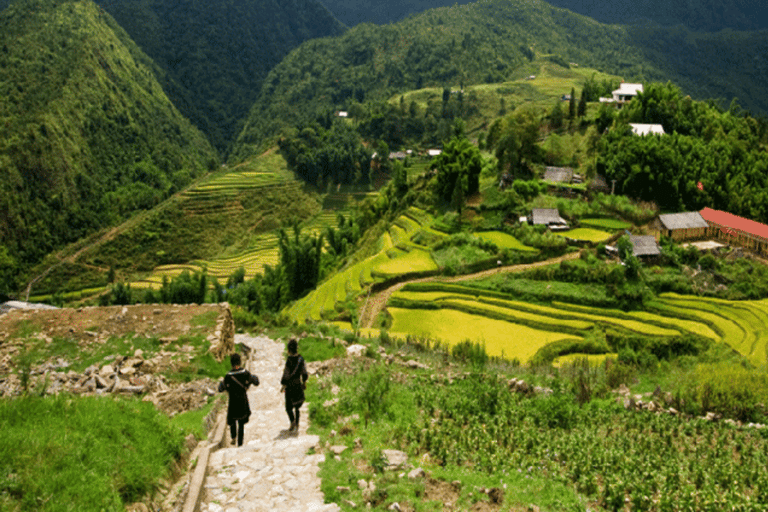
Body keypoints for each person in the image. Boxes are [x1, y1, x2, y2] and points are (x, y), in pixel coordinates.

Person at [218, 352, 259, 447]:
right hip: (242, 402)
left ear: (231, 363)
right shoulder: (245, 373)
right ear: (240, 362)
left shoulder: (228, 376)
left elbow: (220, 388)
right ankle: (240, 443)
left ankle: (233, 437)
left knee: (233, 420)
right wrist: (253, 379)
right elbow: (256, 381)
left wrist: (223, 384)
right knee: (241, 424)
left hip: (233, 402)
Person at [280, 338, 308, 433]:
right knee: (297, 406)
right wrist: (304, 383)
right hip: (297, 385)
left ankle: (292, 421)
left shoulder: (289, 360)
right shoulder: (301, 359)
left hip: (290, 387)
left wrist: (283, 384)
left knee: (288, 407)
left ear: (288, 350)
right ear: (297, 348)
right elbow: (304, 372)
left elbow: (286, 373)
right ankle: (297, 423)